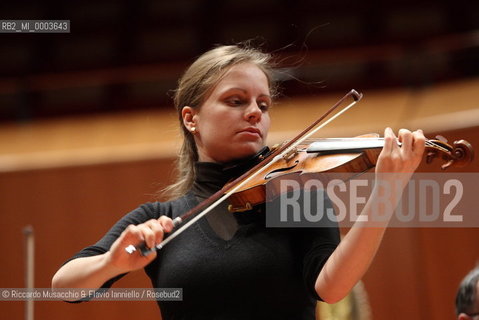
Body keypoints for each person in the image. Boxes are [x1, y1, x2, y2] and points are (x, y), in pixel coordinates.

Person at [52, 44, 426, 319]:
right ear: (191, 118)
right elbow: (62, 287)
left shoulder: (297, 197)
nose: (254, 114)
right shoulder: (162, 219)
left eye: (263, 105)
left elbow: (332, 286)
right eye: (235, 101)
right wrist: (111, 263)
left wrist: (386, 193)